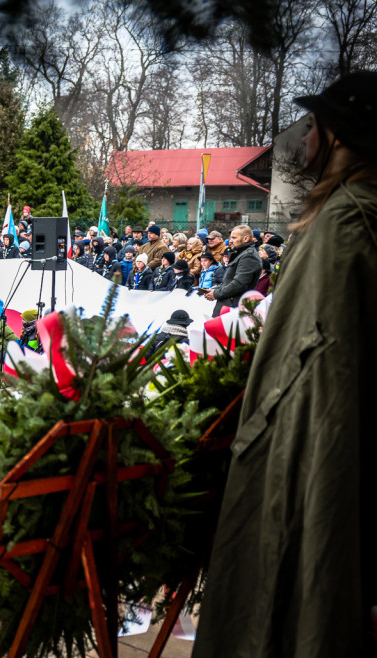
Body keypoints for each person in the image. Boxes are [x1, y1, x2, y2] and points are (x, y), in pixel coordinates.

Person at [192, 70, 377, 658]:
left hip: (315, 457)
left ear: (337, 137)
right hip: (331, 446)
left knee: (298, 596)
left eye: (316, 126)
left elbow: (318, 370)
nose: (307, 139)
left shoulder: (347, 221)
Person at [203, 224, 262, 316]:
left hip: (233, 309)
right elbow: (229, 282)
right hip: (228, 307)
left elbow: (239, 284)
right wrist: (215, 290)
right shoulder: (241, 254)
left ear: (246, 239)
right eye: (230, 238)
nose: (230, 241)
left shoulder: (249, 256)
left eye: (234, 238)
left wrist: (216, 293)